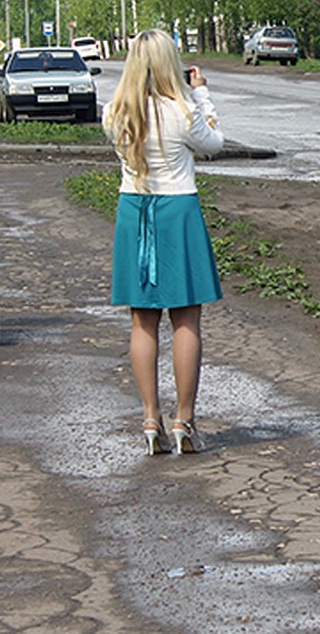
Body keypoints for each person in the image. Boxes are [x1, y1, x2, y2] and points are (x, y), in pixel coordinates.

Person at [102, 29, 224, 456]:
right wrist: (202, 95)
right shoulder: (182, 111)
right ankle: (183, 420)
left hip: (135, 213)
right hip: (179, 212)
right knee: (187, 319)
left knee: (143, 320)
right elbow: (214, 143)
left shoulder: (115, 112)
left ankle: (150, 417)